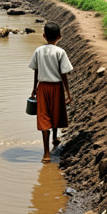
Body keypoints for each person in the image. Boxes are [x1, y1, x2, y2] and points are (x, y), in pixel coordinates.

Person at [29, 22, 73, 164]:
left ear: (44, 36)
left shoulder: (38, 51)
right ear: (59, 36)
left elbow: (36, 70)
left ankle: (46, 153)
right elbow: (64, 74)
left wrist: (34, 88)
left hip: (42, 87)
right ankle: (54, 137)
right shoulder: (60, 52)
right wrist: (68, 92)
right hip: (56, 87)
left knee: (44, 117)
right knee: (55, 113)